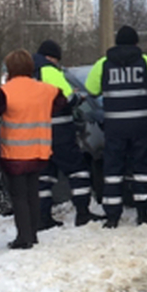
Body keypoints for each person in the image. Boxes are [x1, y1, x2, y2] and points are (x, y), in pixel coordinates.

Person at [85, 25, 147, 228]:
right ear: (136, 42)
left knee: (113, 170)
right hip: (143, 126)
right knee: (143, 169)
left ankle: (113, 216)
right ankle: (142, 213)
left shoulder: (103, 63)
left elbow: (91, 89)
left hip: (115, 127)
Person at [33, 39, 103, 228]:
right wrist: (77, 97)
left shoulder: (29, 71)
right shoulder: (49, 70)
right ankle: (83, 213)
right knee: (78, 171)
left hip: (37, 133)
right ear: (51, 57)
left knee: (44, 176)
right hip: (59, 130)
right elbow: (67, 97)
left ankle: (43, 217)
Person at [0, 49, 64, 249]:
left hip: (14, 152)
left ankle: (24, 237)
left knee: (19, 196)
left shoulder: (4, 91)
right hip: (40, 149)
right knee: (33, 192)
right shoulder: (46, 90)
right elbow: (62, 102)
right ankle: (33, 232)